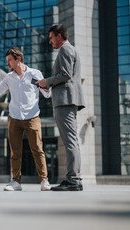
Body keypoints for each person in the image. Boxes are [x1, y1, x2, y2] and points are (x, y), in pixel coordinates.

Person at [0, 47, 52, 191]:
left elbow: (47, 94)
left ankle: (44, 181)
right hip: (14, 118)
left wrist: (46, 86)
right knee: (15, 151)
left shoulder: (34, 73)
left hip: (32, 117)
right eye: (7, 61)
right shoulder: (9, 77)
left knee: (37, 149)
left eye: (9, 60)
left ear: (18, 59)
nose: (8, 63)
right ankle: (16, 182)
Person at [37, 24, 85, 191]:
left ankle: (73, 180)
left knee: (70, 141)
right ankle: (74, 179)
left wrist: (47, 82)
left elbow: (65, 74)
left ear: (58, 36)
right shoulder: (71, 49)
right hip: (68, 99)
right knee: (72, 141)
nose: (50, 42)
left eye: (51, 38)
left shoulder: (65, 49)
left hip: (65, 100)